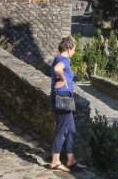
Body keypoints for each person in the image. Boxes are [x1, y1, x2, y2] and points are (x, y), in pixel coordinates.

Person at [49, 36, 87, 172]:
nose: (74, 52)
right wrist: (64, 79)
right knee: (62, 130)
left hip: (62, 97)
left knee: (71, 130)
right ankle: (55, 161)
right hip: (62, 97)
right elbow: (57, 69)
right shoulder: (63, 59)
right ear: (69, 49)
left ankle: (71, 160)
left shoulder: (59, 58)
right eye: (74, 50)